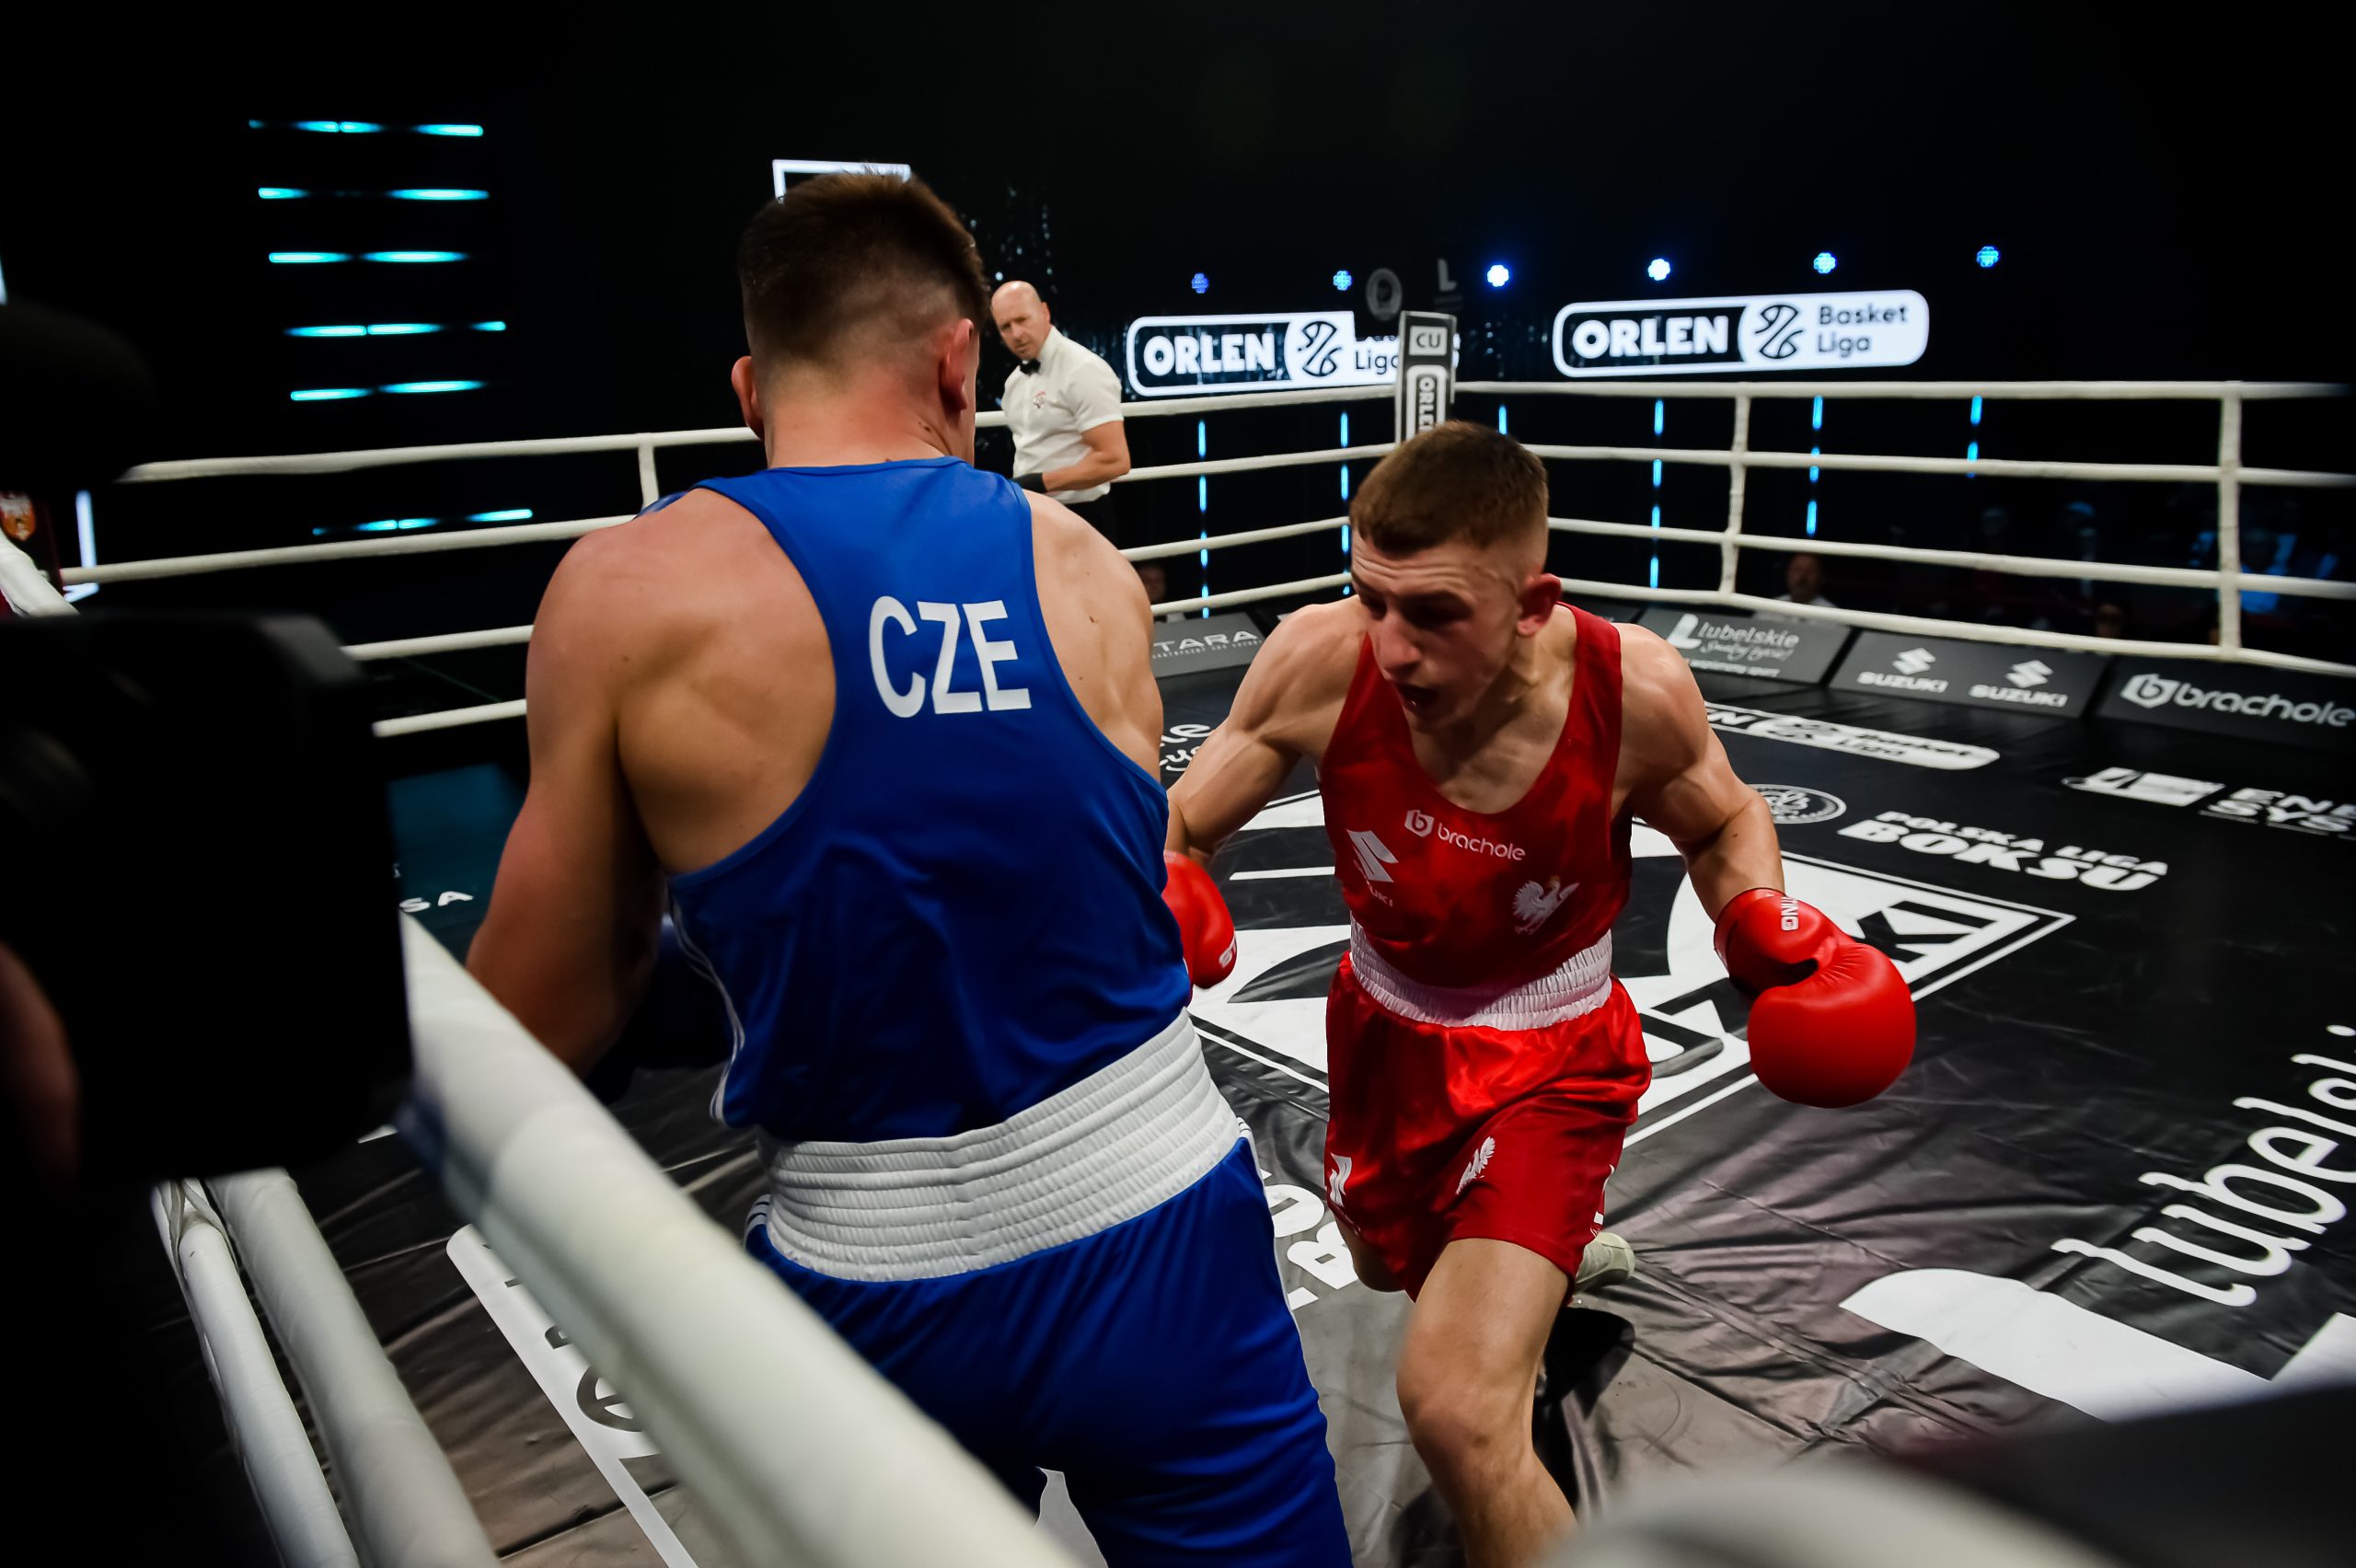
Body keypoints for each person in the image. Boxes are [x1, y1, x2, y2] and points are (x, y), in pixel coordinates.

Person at [463, 172, 1349, 1566]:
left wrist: (699, 958)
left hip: (874, 1276)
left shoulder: (629, 592)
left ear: (749, 387)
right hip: (1166, 1226)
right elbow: (1076, 859)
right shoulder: (1088, 573)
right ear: (957, 362)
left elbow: (535, 1018)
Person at [1167, 423, 1912, 1568]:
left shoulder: (1630, 689)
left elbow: (1721, 816)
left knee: (1459, 1411)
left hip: (1550, 1057)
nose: (1392, 648)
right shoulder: (1320, 658)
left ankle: (1536, 1252)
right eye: (1373, 598)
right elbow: (1182, 823)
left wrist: (1756, 918)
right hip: (1381, 1033)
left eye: (1434, 614)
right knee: (1380, 1267)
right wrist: (1163, 880)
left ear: (1530, 603)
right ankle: (1538, 1268)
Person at [990, 280, 1163, 603]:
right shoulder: (1015, 383)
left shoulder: (1082, 370)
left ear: (1044, 312)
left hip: (1082, 516)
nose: (1016, 334)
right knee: (1044, 612)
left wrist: (1040, 482)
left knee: (1090, 614)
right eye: (1006, 326)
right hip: (1032, 515)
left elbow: (1115, 460)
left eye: (1023, 320)